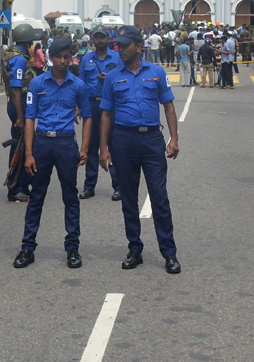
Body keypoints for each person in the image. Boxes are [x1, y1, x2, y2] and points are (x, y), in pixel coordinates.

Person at [99, 25, 181, 274]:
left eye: (124, 45)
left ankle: (169, 253)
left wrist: (174, 138)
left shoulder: (156, 72)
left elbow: (168, 106)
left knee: (159, 197)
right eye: (118, 45)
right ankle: (135, 248)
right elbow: (105, 114)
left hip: (151, 141)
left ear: (138, 46)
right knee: (129, 199)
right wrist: (103, 148)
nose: (119, 49)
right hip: (123, 141)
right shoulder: (113, 76)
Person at [13, 36, 92, 270]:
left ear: (71, 58)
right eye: (58, 56)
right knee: (37, 196)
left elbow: (87, 117)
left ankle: (73, 248)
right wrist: (29, 153)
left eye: (67, 57)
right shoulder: (37, 84)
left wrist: (85, 148)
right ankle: (27, 248)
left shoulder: (78, 85)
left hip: (67, 144)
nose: (63, 61)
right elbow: (29, 118)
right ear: (50, 57)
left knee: (70, 196)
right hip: (42, 144)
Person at [78, 29, 123, 201]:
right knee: (90, 145)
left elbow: (122, 79)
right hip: (91, 104)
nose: (100, 40)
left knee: (113, 144)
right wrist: (78, 106)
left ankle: (118, 186)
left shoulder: (117, 58)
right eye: (97, 37)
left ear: (109, 39)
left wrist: (109, 79)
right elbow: (80, 84)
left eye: (103, 37)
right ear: (93, 40)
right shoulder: (86, 59)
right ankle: (89, 186)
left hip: (111, 105)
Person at [4, 23, 39, 202]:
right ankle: (15, 188)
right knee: (21, 147)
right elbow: (16, 88)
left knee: (23, 145)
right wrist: (20, 117)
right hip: (20, 105)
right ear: (28, 41)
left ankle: (21, 185)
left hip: (20, 104)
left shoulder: (14, 54)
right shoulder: (19, 59)